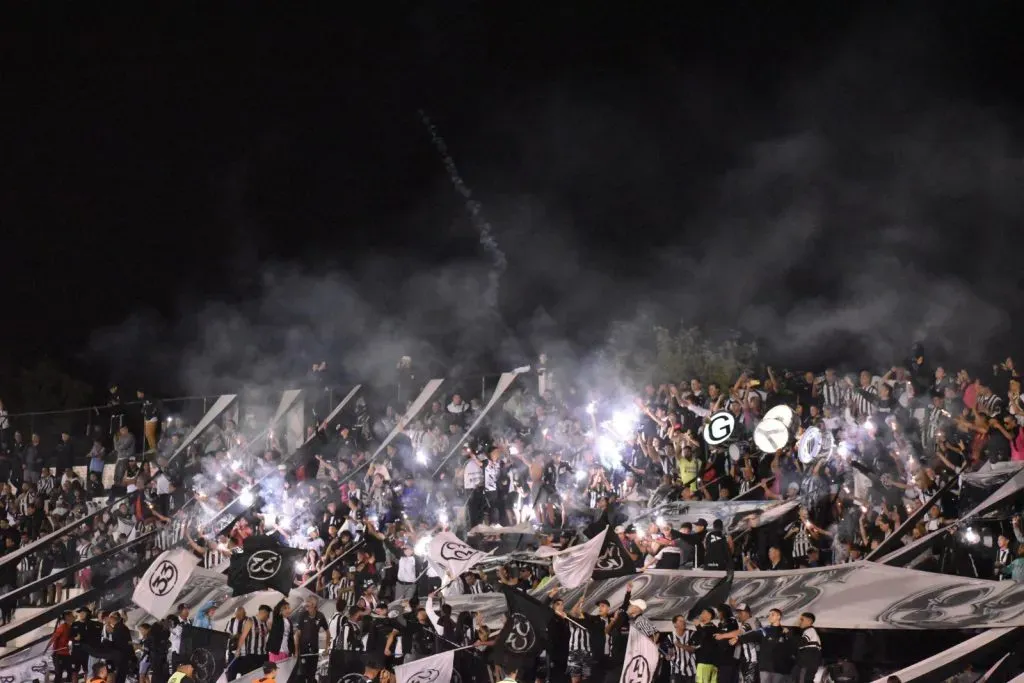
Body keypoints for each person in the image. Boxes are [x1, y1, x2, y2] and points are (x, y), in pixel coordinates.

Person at [294, 595, 331, 683]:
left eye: (308, 604)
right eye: (306, 605)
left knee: (312, 674)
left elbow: (328, 633)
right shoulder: (303, 615)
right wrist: (296, 650)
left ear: (314, 605)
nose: (306, 607)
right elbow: (297, 634)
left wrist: (326, 648)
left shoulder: (320, 616)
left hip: (314, 650)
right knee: (303, 674)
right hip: (303, 650)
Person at [792, 613, 822, 683]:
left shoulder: (810, 631)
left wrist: (788, 636)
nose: (799, 621)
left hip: (806, 665)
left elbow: (802, 642)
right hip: (807, 664)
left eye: (802, 619)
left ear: (809, 621)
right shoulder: (809, 632)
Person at [51, 610, 75, 683]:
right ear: (67, 617)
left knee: (70, 672)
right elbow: (54, 638)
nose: (74, 617)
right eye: (72, 615)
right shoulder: (62, 627)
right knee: (59, 674)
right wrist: (54, 651)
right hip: (59, 654)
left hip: (67, 654)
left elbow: (70, 639)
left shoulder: (71, 627)